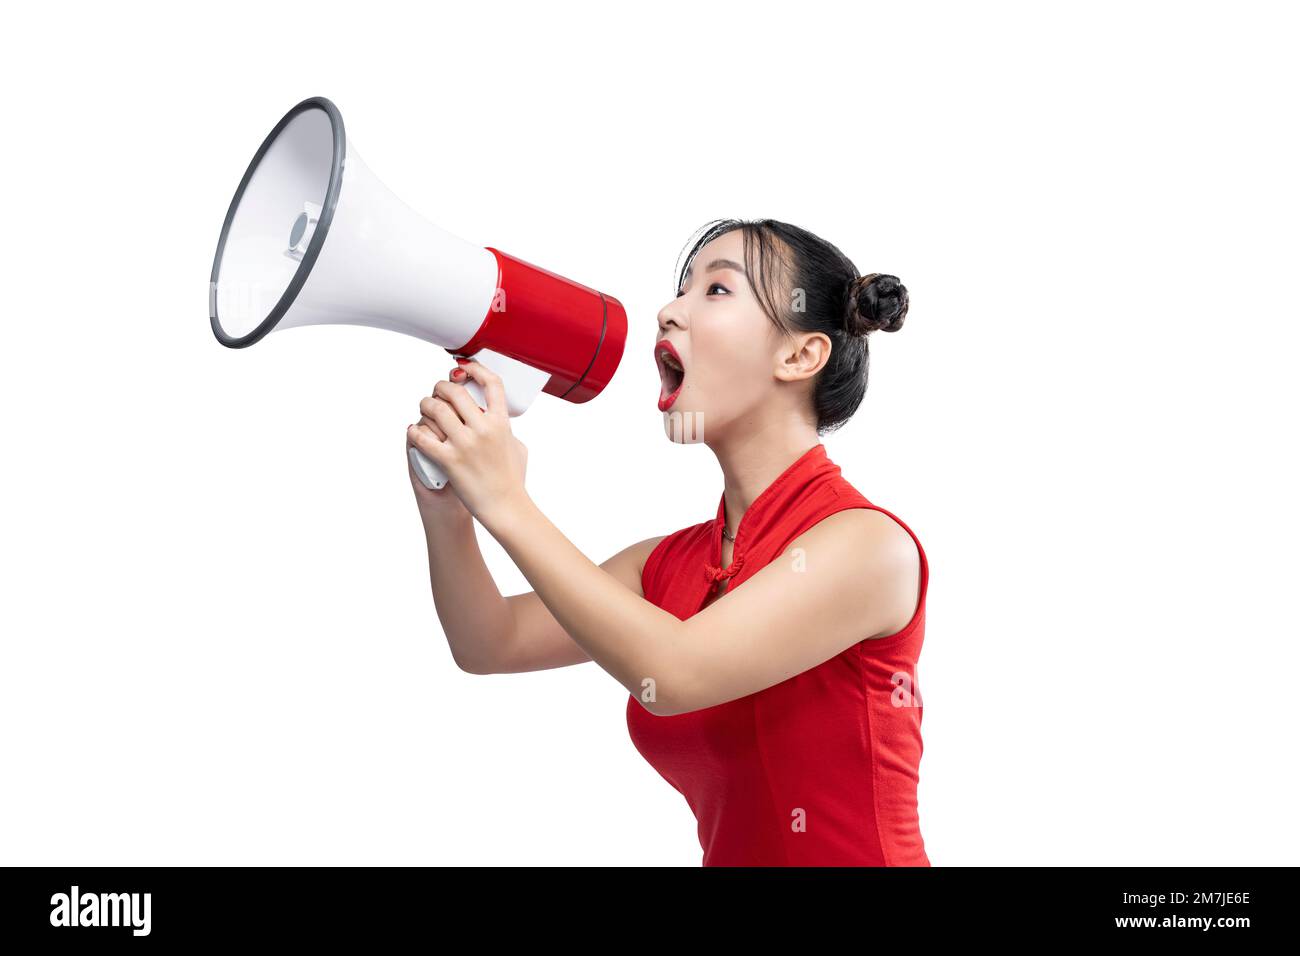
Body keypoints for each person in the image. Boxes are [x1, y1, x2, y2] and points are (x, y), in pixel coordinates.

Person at [407, 218, 929, 866]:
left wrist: (507, 501)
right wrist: (451, 510)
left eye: (716, 290)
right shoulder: (670, 564)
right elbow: (489, 641)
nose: (667, 311)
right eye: (681, 288)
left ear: (800, 355)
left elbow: (675, 671)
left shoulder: (869, 548)